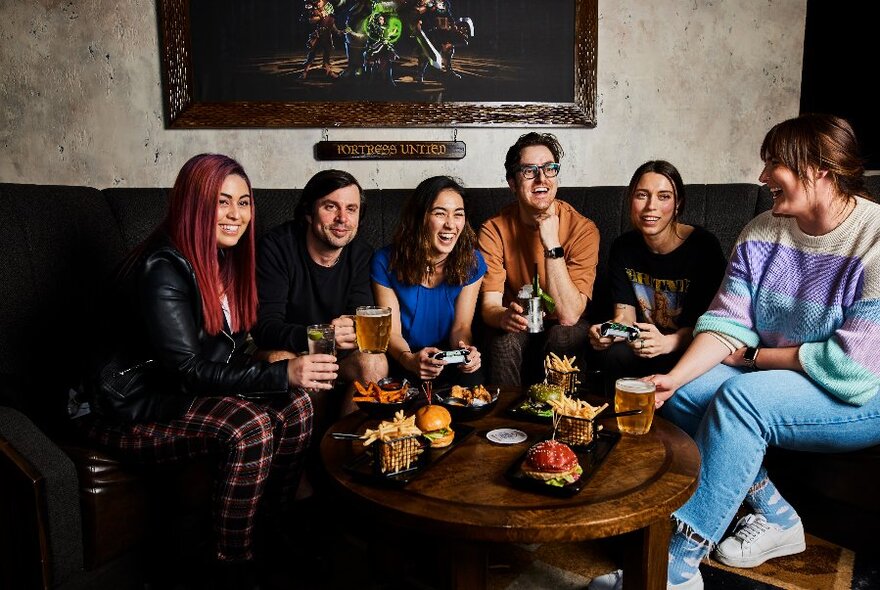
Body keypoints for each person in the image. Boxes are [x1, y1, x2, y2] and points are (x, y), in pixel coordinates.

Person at [591, 114, 880, 590]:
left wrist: (753, 360)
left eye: (774, 165)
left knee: (742, 401)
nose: (763, 177)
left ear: (820, 170)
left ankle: (674, 569)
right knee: (685, 395)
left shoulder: (872, 238)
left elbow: (849, 368)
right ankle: (776, 516)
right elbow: (726, 325)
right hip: (783, 376)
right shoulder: (762, 231)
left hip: (859, 395)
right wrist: (673, 378)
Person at [84, 154, 323, 586]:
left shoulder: (223, 261)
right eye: (222, 202)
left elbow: (228, 351)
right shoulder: (164, 268)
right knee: (250, 426)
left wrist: (284, 369)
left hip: (180, 395)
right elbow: (187, 371)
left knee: (297, 406)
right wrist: (279, 374)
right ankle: (231, 562)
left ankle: (273, 529)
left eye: (244, 202)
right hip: (129, 407)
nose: (236, 215)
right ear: (195, 204)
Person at [253, 169, 387, 427]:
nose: (342, 218)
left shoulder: (362, 255)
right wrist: (323, 335)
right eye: (330, 207)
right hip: (288, 351)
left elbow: (358, 317)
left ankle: (345, 450)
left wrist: (353, 329)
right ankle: (305, 455)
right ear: (308, 211)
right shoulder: (276, 247)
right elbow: (264, 328)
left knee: (374, 362)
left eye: (351, 209)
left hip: (338, 357)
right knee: (278, 359)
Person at [588, 161, 726, 395]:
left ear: (678, 203)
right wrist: (607, 330)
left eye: (664, 196)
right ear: (631, 200)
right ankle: (615, 425)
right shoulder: (624, 247)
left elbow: (710, 326)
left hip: (689, 348)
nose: (651, 206)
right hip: (644, 346)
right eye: (642, 195)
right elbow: (625, 316)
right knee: (613, 354)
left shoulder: (703, 247)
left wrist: (667, 343)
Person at [478, 132, 599, 385]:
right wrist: (503, 316)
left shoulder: (583, 229)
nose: (541, 178)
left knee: (563, 336)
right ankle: (504, 423)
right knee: (503, 340)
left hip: (563, 324)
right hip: (518, 320)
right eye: (529, 171)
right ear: (512, 182)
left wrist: (551, 244)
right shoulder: (494, 229)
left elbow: (569, 315)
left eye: (549, 168)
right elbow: (489, 306)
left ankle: (563, 418)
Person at [371, 175, 486, 386]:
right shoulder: (385, 261)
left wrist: (465, 352)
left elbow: (461, 326)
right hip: (402, 356)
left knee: (474, 385)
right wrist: (410, 360)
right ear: (420, 217)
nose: (451, 224)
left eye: (458, 215)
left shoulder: (473, 261)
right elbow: (392, 333)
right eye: (440, 213)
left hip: (448, 357)